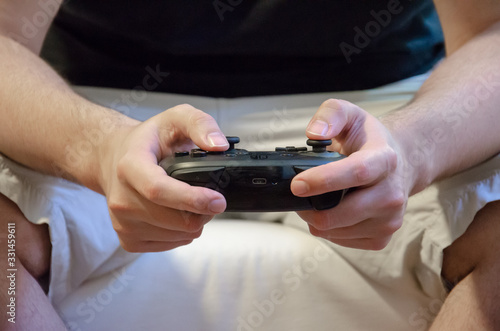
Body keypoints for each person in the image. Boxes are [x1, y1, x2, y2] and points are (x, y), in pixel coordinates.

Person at [0, 0, 499, 330]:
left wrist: (412, 149)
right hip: (98, 110)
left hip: (375, 113)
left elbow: (491, 30)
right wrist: (99, 149)